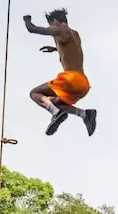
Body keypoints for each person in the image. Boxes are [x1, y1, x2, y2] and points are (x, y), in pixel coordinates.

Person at [24, 8, 98, 136]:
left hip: (70, 79)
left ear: (56, 22)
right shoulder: (75, 34)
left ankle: (56, 114)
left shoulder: (59, 29)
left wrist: (27, 20)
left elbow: (32, 29)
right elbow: (71, 50)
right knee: (54, 101)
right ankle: (85, 114)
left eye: (51, 25)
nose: (51, 28)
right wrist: (55, 48)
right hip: (83, 84)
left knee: (34, 93)